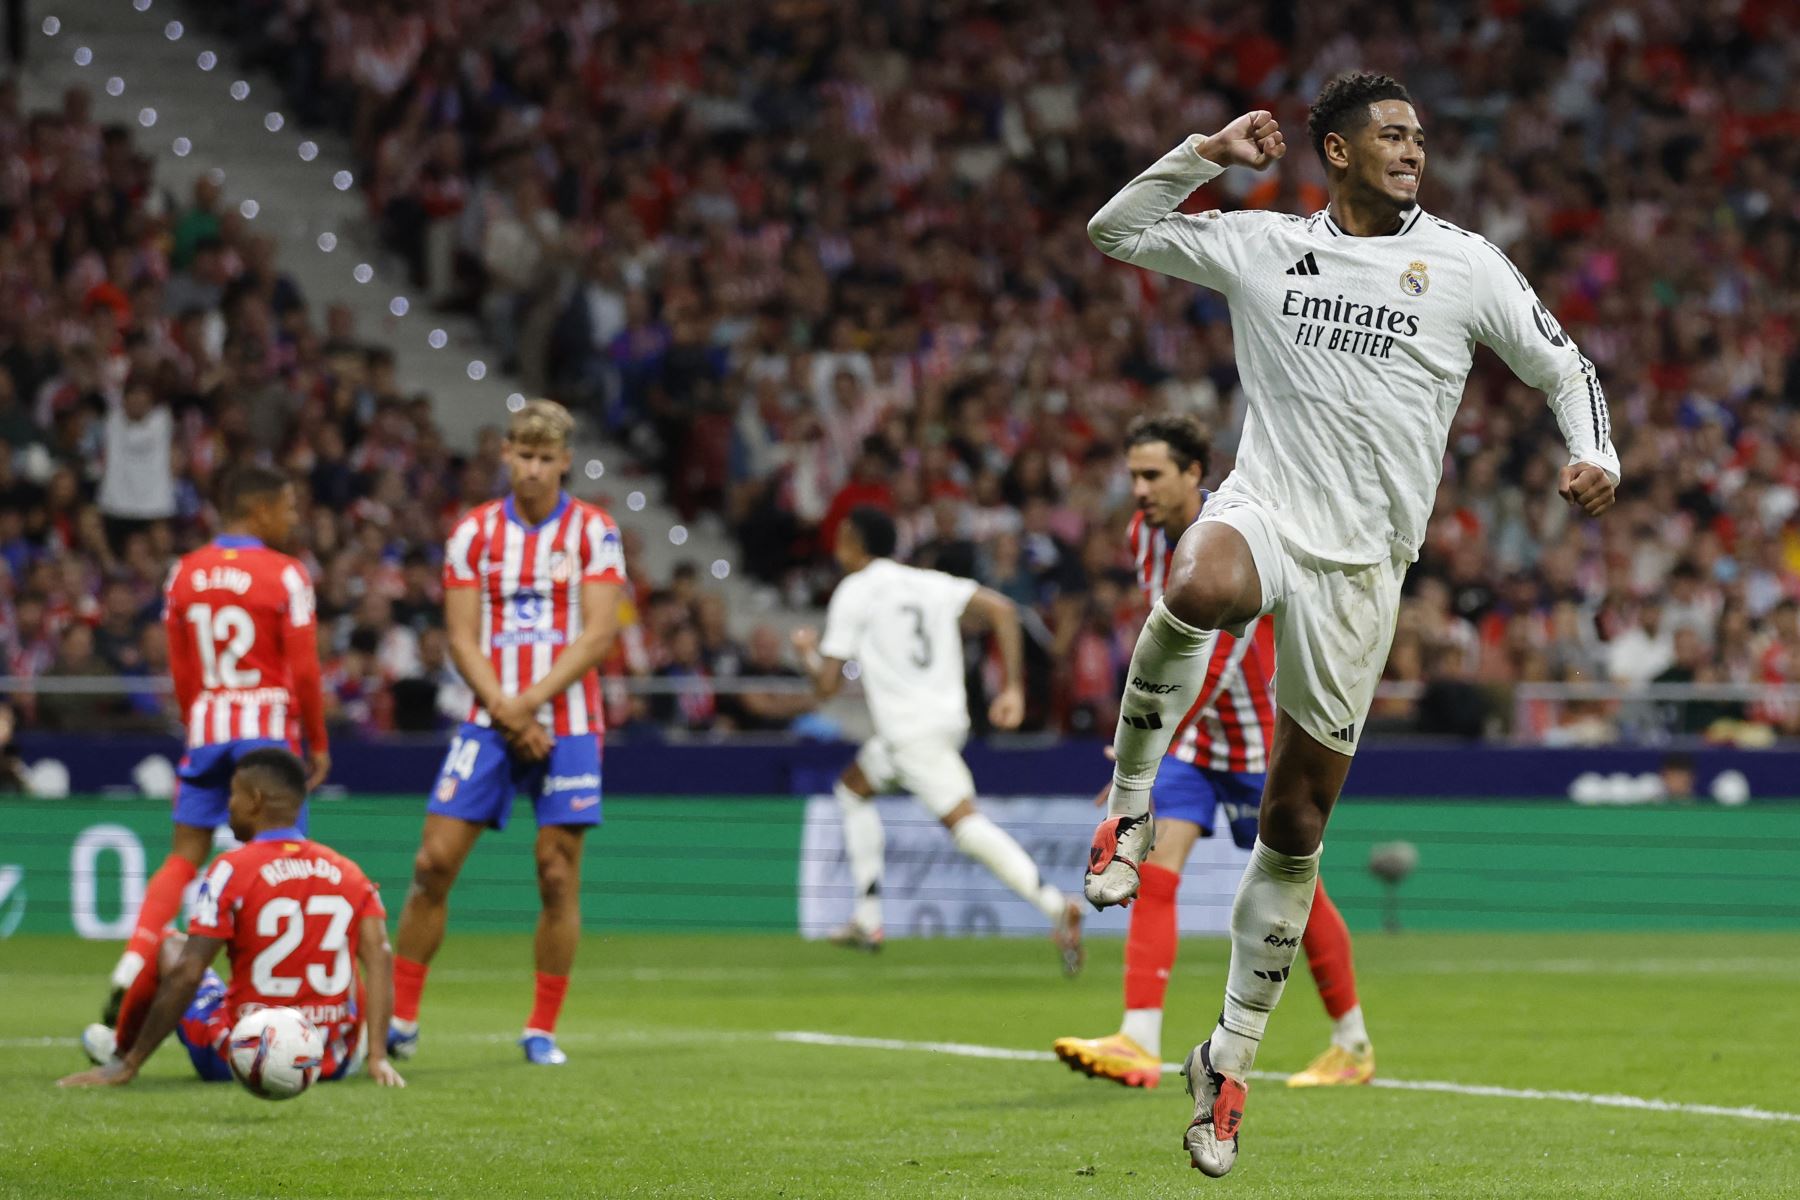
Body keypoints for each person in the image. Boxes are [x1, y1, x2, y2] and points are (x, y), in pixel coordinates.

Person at [1082, 73, 1617, 1176]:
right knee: (1197, 583)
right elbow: (1116, 228)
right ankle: (1125, 809)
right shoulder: (1264, 244)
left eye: (1420, 135)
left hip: (1367, 570)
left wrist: (1593, 448)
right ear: (1333, 149)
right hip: (1267, 509)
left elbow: (1565, 362)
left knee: (1296, 823)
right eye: (1390, 136)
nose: (1413, 150)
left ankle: (1226, 1063)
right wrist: (1206, 151)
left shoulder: (1464, 264)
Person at [1053, 414, 1373, 1090]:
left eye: (1153, 475)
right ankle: (1138, 1037)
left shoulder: (1232, 537)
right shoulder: (1144, 534)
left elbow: (1219, 656)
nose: (1139, 489)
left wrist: (1139, 746)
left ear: (1194, 475)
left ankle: (1352, 1043)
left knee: (1297, 892)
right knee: (1157, 864)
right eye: (1133, 475)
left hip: (1258, 738)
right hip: (1196, 742)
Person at [387, 399, 625, 1066]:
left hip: (569, 724)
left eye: (547, 459)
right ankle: (401, 1019)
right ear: (505, 456)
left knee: (556, 874)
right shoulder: (472, 534)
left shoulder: (595, 533)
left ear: (566, 462)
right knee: (432, 863)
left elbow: (599, 635)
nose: (534, 469)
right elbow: (461, 637)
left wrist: (530, 705)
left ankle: (541, 1029)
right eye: (524, 456)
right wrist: (507, 709)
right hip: (490, 719)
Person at [791, 507, 1084, 972]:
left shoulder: (855, 590)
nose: (835, 545)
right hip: (940, 721)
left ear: (855, 542)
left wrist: (807, 654)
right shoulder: (930, 582)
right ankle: (867, 917)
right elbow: (1004, 610)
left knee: (965, 827)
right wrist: (1013, 687)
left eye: (842, 537)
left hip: (911, 732)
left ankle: (1055, 905)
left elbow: (826, 688)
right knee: (851, 790)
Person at [100, 465, 329, 1026]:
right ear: (259, 510)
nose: (294, 517)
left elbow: (181, 672)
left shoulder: (183, 573)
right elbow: (304, 671)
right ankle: (287, 991)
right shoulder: (286, 574)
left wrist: (197, 721)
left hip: (207, 726)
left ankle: (133, 964)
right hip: (267, 729)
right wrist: (318, 743)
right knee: (284, 859)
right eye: (288, 507)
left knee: (184, 854)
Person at [60, 749, 403, 1089]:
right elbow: (380, 957)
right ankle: (355, 1049)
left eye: (233, 794)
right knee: (350, 951)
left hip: (239, 1057)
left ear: (254, 800)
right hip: (329, 1060)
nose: (228, 806)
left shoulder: (232, 869)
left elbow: (190, 971)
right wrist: (377, 1057)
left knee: (171, 946)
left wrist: (131, 1066)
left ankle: (119, 1050)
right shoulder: (348, 872)